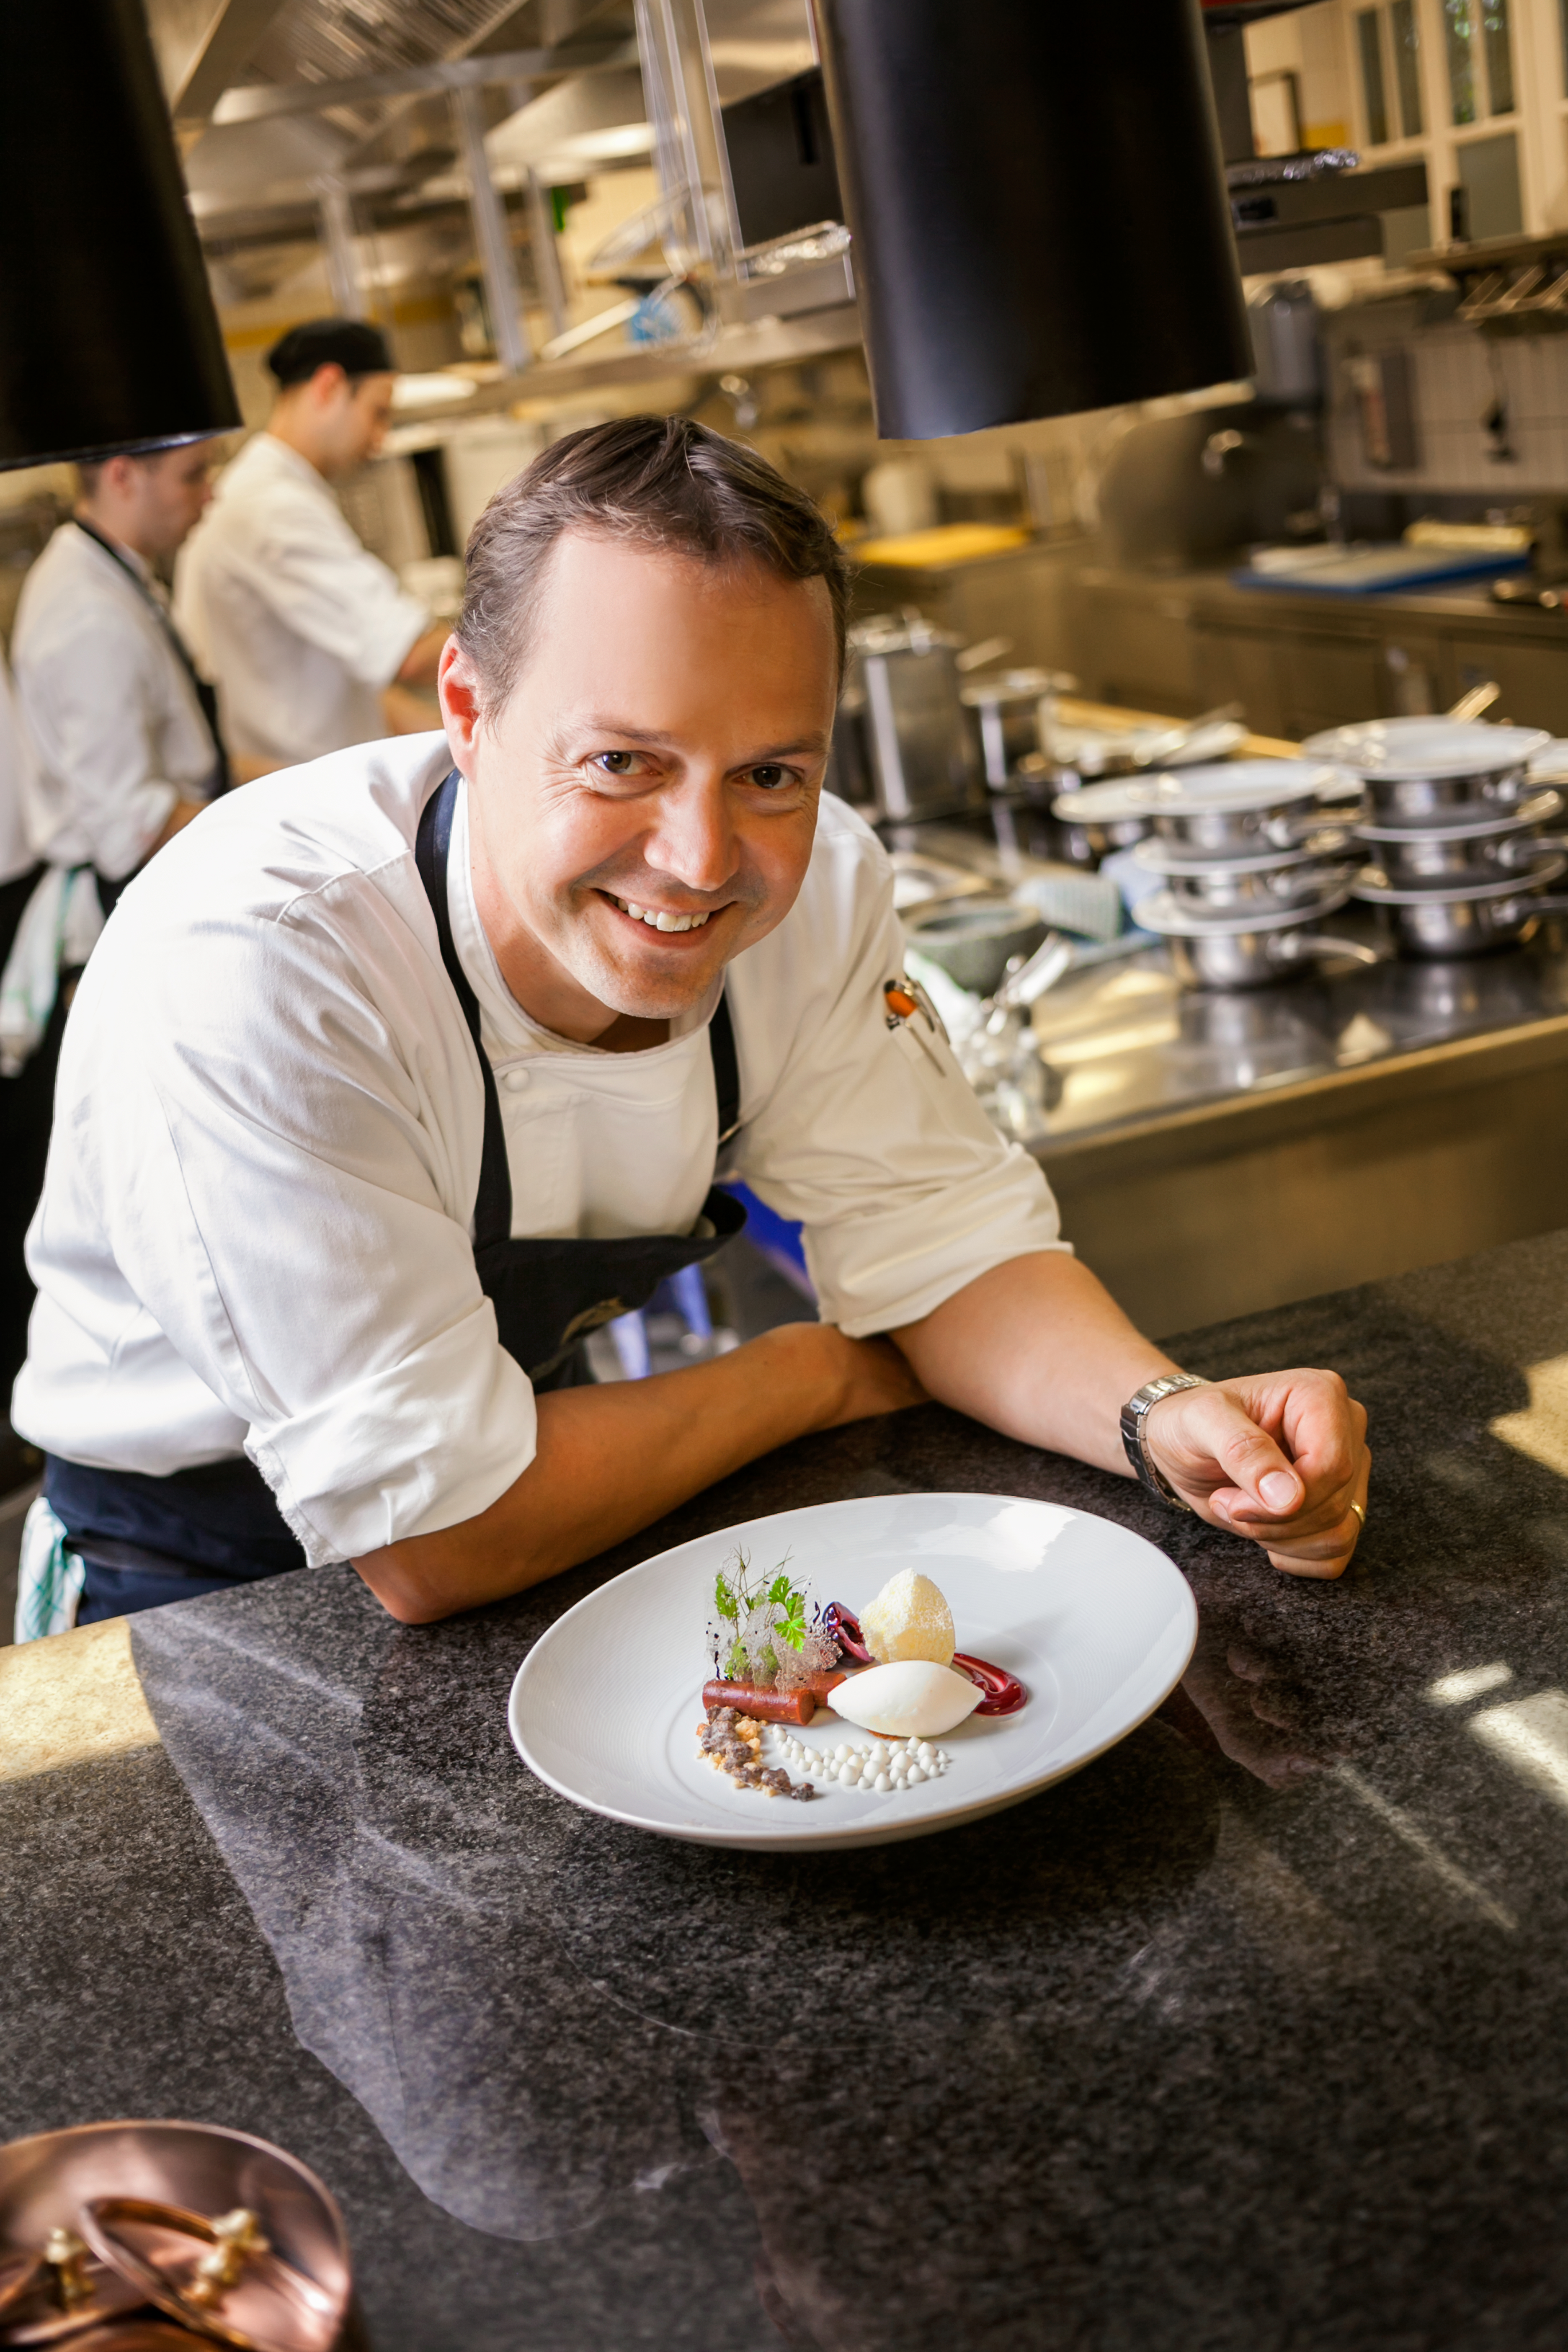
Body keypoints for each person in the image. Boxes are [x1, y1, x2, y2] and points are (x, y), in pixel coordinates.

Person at [13, 418, 1369, 1632]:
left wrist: (1161, 1416)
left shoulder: (820, 885)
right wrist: (804, 1374)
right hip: (196, 1576)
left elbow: (945, 1246)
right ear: (469, 713)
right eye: (622, 761)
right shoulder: (268, 958)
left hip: (539, 1472)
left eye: (769, 772)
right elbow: (433, 1537)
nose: (700, 857)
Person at [175, 318, 449, 773]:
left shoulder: (284, 491)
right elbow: (411, 655)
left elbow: (348, 682)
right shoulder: (271, 507)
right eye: (377, 413)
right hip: (295, 788)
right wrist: (535, 656)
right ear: (329, 386)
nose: (380, 438)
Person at [10, 438, 226, 913]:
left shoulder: (119, 573)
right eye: (192, 475)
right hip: (137, 898)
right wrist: (271, 824)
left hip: (172, 871)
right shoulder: (86, 616)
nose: (211, 495)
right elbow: (128, 825)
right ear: (123, 477)